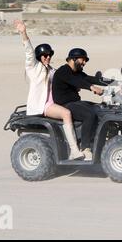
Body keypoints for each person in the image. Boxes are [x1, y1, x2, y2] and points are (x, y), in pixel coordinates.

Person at [14, 20, 85, 161]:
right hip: (44, 104)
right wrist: (23, 33)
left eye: (49, 55)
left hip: (56, 102)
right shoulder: (34, 68)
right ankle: (74, 150)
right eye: (44, 55)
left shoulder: (53, 70)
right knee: (66, 113)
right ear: (39, 57)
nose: (47, 57)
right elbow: (28, 52)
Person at [52, 48, 107, 160]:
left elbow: (89, 79)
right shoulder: (63, 71)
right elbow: (77, 82)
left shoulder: (76, 73)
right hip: (65, 105)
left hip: (75, 103)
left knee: (99, 108)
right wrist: (92, 88)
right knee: (89, 115)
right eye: (83, 60)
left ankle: (95, 140)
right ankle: (85, 148)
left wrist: (113, 82)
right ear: (74, 59)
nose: (84, 63)